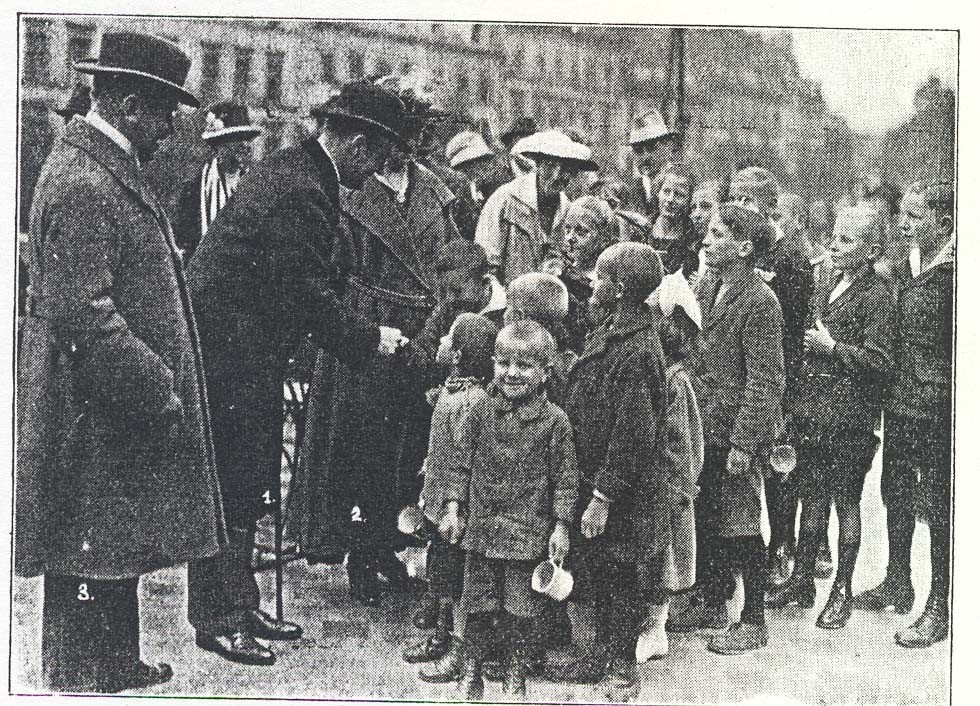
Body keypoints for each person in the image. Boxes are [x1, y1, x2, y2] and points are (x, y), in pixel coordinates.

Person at [16, 32, 224, 693]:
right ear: (131, 106)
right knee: (88, 543)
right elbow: (84, 314)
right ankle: (83, 675)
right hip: (97, 405)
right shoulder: (85, 180)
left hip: (103, 405)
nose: (169, 132)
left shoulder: (101, 166)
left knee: (108, 540)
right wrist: (157, 386)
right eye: (166, 116)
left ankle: (110, 661)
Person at [186, 81, 407, 666]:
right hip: (231, 355)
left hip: (243, 349)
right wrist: (368, 338)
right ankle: (218, 619)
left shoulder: (299, 172)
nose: (378, 170)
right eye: (380, 156)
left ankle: (239, 601)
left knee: (250, 479)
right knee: (234, 485)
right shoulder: (302, 189)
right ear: (358, 144)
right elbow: (303, 289)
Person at [295, 84, 462, 607]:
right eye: (402, 133)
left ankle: (390, 546)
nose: (409, 145)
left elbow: (452, 265)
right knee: (356, 447)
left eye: (417, 133)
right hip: (361, 333)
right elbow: (321, 270)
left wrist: (441, 323)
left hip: (422, 332)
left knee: (406, 447)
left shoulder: (436, 192)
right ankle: (359, 554)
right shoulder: (346, 189)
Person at [766, 205, 895, 631]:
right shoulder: (829, 281)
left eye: (847, 241)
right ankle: (803, 581)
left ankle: (841, 590)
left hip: (850, 423)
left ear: (871, 249)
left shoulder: (878, 296)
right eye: (835, 237)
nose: (835, 247)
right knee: (813, 499)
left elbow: (880, 361)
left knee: (846, 504)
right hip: (815, 415)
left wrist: (832, 348)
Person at [547, 242, 668, 697]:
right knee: (593, 568)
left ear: (617, 290)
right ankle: (591, 654)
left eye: (599, 279)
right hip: (596, 476)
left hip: (621, 488)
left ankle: (620, 665)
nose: (592, 285)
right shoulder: (616, 329)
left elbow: (633, 435)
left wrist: (603, 497)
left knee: (620, 575)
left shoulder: (638, 349)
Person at [442, 321, 579, 701]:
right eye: (504, 363)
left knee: (521, 609)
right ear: (492, 363)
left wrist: (561, 526)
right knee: (478, 604)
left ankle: (515, 674)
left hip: (526, 532)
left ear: (546, 371)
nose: (512, 373)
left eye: (525, 365)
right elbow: (459, 463)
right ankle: (471, 673)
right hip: (482, 530)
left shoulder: (555, 422)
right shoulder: (480, 410)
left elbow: (566, 479)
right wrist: (454, 508)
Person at [670, 203, 785, 655]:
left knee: (741, 525)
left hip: (733, 431)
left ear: (744, 247)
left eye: (718, 234)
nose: (706, 240)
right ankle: (714, 601)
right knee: (711, 516)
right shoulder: (710, 282)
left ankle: (754, 618)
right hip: (705, 427)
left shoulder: (760, 302)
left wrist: (745, 441)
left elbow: (765, 378)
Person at [854, 181, 954, 649]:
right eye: (904, 216)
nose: (905, 224)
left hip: (935, 408)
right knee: (894, 488)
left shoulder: (954, 274)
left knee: (936, 505)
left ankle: (940, 606)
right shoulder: (909, 262)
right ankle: (898, 580)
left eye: (916, 218)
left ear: (945, 224)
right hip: (899, 401)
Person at [728, 167, 814, 587]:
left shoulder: (791, 259)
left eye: (749, 201)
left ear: (771, 208)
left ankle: (783, 548)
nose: (740, 208)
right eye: (735, 200)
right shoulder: (739, 249)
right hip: (740, 371)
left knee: (780, 469)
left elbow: (794, 329)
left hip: (780, 374)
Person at [403, 313, 498, 681]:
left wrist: (453, 508)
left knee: (458, 580)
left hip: (454, 508)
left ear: (456, 354)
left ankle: (458, 649)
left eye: (447, 339)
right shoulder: (457, 392)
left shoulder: (471, 402)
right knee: (441, 574)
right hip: (439, 499)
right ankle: (442, 635)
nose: (439, 341)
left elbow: (461, 456)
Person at [635, 270, 704, 662]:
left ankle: (655, 629)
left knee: (662, 563)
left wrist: (677, 489)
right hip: (652, 485)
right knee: (649, 560)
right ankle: (648, 624)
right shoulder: (657, 374)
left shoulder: (675, 384)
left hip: (667, 490)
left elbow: (685, 446)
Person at [475, 129, 598, 286]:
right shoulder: (506, 199)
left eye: (566, 169)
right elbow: (486, 263)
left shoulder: (567, 210)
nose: (556, 176)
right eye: (550, 166)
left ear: (573, 173)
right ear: (538, 165)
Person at [173, 102, 261, 262]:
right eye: (239, 139)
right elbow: (184, 241)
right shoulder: (195, 188)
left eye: (248, 139)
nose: (246, 146)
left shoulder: (255, 184)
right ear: (220, 145)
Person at [559, 195, 617, 350]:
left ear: (604, 239)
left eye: (581, 231)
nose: (570, 238)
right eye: (567, 229)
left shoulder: (607, 283)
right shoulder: (560, 273)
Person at [444, 130, 503, 240]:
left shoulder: (503, 188)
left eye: (482, 160)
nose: (477, 168)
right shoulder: (459, 202)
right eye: (468, 165)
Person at [627, 108, 680, 216]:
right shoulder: (631, 189)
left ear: (668, 146)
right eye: (638, 150)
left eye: (652, 147)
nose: (646, 157)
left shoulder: (682, 181)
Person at [651, 162, 700, 277]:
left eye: (679, 194)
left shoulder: (692, 242)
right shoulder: (641, 230)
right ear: (658, 192)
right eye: (666, 191)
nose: (670, 199)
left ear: (689, 201)